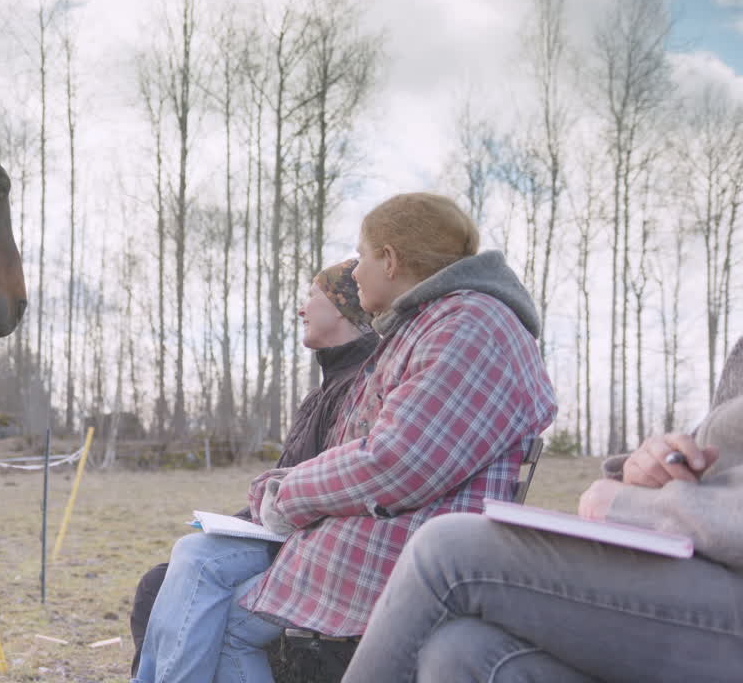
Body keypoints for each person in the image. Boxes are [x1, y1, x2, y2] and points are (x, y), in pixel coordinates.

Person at [132, 192, 557, 683]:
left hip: (401, 551)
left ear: (391, 260)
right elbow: (372, 453)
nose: (354, 273)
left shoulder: (467, 324)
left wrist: (286, 496)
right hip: (389, 534)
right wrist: (282, 486)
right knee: (195, 570)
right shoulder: (442, 322)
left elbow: (395, 463)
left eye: (363, 255)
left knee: (220, 609)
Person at [342, 335, 743, 683]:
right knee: (461, 652)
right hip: (702, 567)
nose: (357, 272)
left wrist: (629, 504)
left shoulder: (456, 329)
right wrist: (647, 471)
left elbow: (397, 459)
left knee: (446, 550)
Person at [129, 259, 379, 675]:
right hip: (283, 530)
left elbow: (332, 484)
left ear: (338, 307)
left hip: (311, 544)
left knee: (188, 566)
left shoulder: (361, 386)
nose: (301, 308)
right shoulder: (325, 389)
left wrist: (267, 508)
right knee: (163, 578)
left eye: (310, 297)